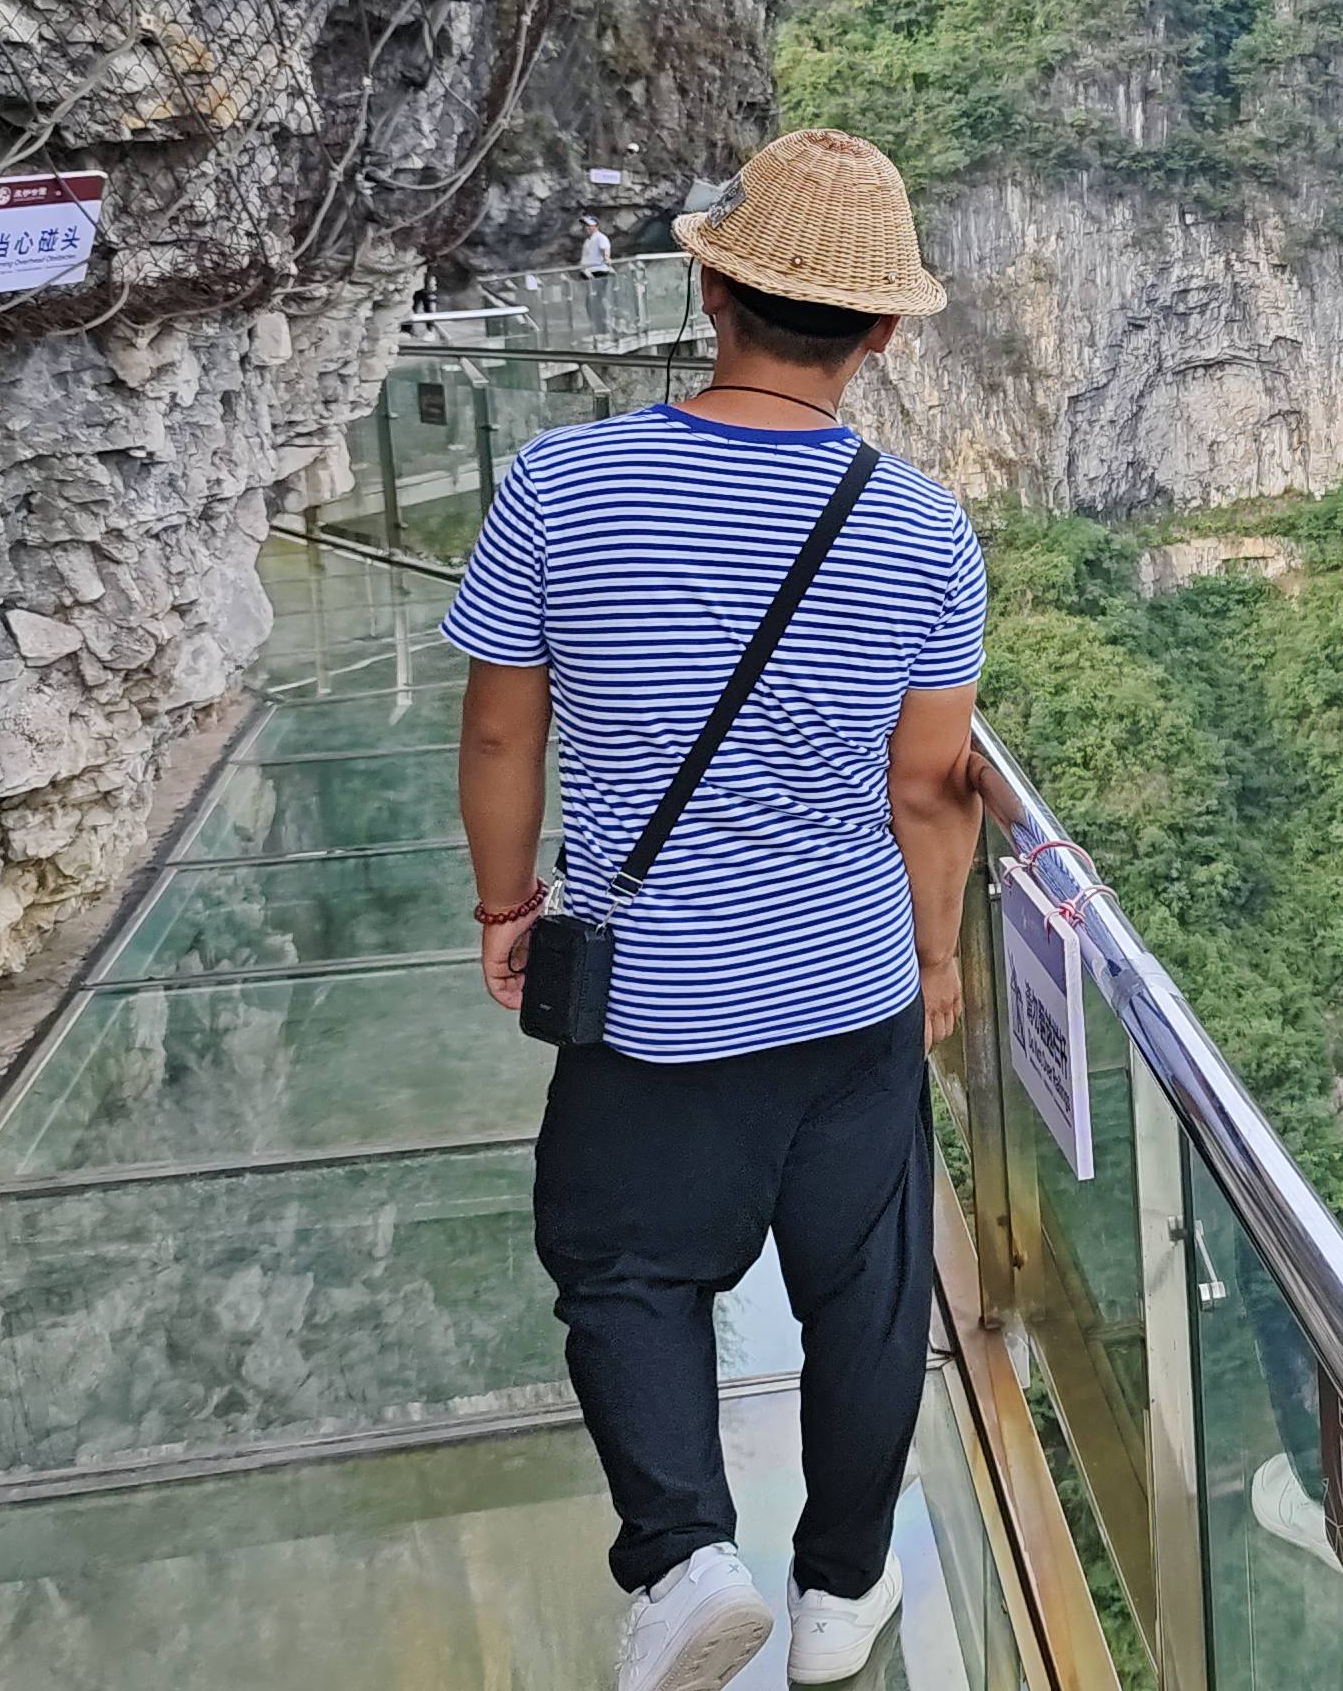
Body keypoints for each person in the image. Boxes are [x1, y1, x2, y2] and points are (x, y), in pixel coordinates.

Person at [448, 129, 980, 1691]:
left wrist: (504, 902)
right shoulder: (923, 528)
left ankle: (684, 1558)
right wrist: (938, 955)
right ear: (882, 333)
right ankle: (840, 1595)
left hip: (655, 998)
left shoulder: (562, 480)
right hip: (846, 994)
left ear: (709, 285)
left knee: (628, 1272)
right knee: (868, 1297)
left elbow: (499, 728)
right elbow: (932, 788)